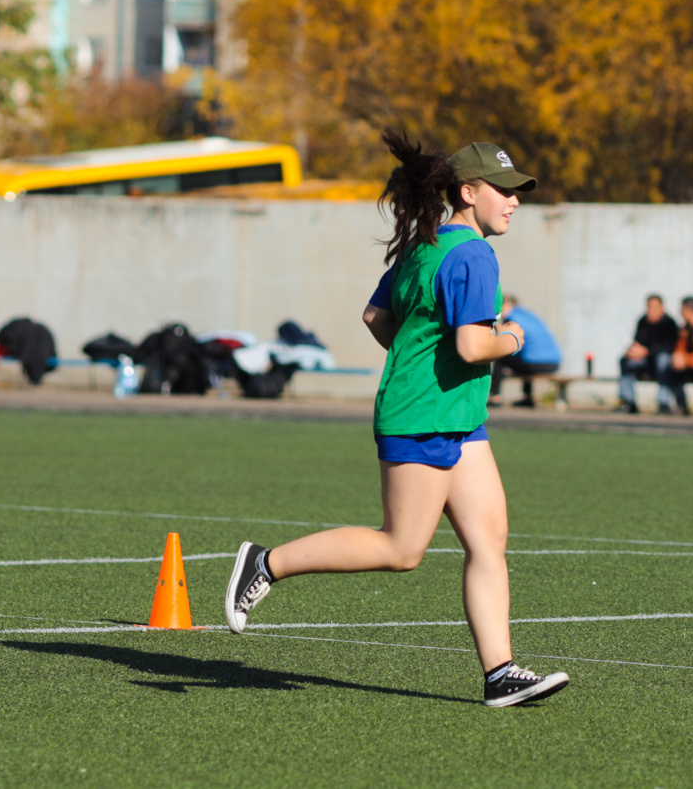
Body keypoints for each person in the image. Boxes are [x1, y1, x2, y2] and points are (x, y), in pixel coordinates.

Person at [222, 132, 569, 708]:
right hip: (422, 416)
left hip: (455, 416)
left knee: (489, 542)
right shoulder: (475, 255)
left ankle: (500, 672)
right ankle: (267, 562)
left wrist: (415, 355)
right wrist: (511, 338)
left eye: (517, 192)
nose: (513, 201)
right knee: (402, 549)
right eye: (502, 190)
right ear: (467, 192)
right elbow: (470, 345)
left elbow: (374, 317)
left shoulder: (424, 246)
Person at [488, 295, 561, 408]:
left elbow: (508, 344)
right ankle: (527, 397)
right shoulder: (527, 315)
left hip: (533, 363)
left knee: (501, 357)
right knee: (525, 355)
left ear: (506, 305)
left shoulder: (512, 318)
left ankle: (495, 397)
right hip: (554, 363)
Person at [616, 294, 680, 414]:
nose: (650, 310)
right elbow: (637, 342)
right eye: (649, 307)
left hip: (662, 365)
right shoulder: (642, 321)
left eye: (653, 307)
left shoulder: (669, 323)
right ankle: (628, 402)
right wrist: (633, 351)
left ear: (662, 308)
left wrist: (647, 352)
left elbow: (669, 347)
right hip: (645, 362)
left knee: (664, 359)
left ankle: (663, 403)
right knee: (625, 361)